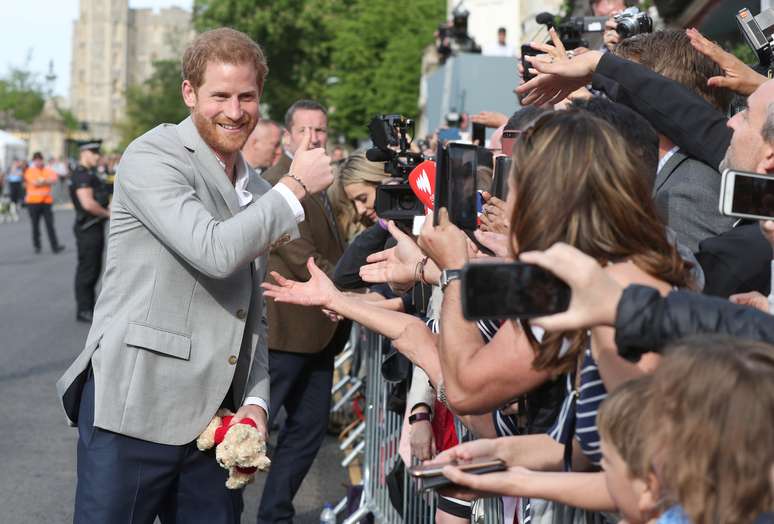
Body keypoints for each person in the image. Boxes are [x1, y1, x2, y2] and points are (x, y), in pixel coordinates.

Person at [55, 28, 333, 523]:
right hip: (135, 412)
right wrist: (292, 190)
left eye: (247, 96)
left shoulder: (250, 184)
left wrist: (255, 401)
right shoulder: (153, 156)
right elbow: (213, 250)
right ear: (189, 93)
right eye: (219, 96)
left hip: (214, 425)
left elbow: (251, 312)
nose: (234, 110)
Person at [258, 99, 349, 524]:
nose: (315, 138)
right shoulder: (279, 184)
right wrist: (350, 293)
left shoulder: (323, 183)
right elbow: (303, 256)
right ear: (289, 136)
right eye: (306, 131)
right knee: (253, 431)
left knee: (307, 433)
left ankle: (275, 514)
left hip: (322, 334)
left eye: (321, 131)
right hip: (285, 334)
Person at [70, 140, 111, 323]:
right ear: (84, 153)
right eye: (94, 153)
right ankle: (84, 309)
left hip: (94, 226)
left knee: (93, 268)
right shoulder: (82, 176)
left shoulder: (89, 174)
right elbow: (87, 203)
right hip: (88, 227)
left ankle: (88, 305)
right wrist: (108, 214)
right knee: (88, 269)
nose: (97, 156)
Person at [24, 151, 64, 254]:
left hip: (46, 202)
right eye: (36, 160)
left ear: (42, 160)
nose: (38, 162)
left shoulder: (48, 170)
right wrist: (46, 181)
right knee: (35, 226)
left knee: (50, 225)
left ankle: (55, 246)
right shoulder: (30, 171)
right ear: (33, 161)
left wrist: (43, 181)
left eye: (40, 160)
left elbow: (54, 180)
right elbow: (35, 183)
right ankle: (37, 245)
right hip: (33, 202)